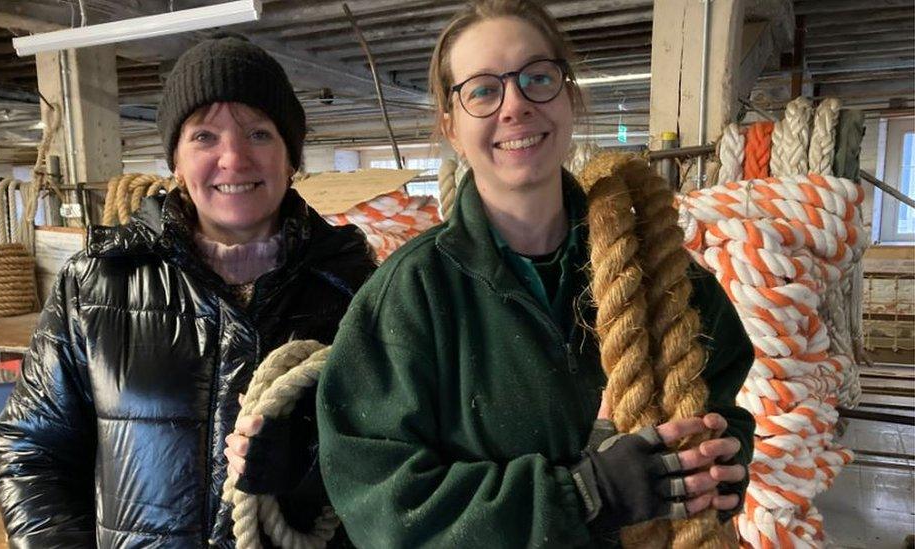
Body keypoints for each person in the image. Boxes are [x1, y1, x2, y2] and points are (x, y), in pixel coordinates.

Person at [310, 1, 756, 546]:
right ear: (451, 127)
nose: (515, 105)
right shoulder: (409, 298)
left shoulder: (659, 272)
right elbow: (385, 507)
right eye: (482, 90)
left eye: (537, 78)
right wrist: (583, 495)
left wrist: (722, 461)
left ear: (569, 97)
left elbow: (719, 394)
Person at [0, 35, 376, 548]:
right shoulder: (95, 284)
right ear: (175, 159)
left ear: (291, 158)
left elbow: (397, 454)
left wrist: (309, 465)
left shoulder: (355, 289)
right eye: (204, 137)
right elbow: (31, 450)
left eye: (259, 134)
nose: (233, 158)